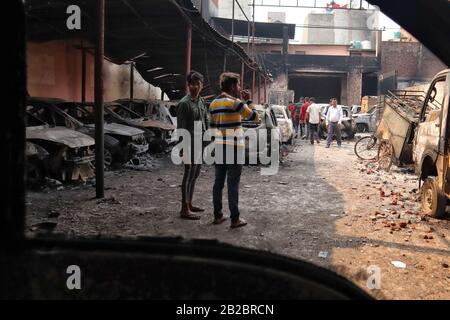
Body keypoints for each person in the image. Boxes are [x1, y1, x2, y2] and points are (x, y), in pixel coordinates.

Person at [209, 72, 259, 228]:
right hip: (235, 149)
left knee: (218, 182)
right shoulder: (236, 103)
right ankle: (235, 219)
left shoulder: (213, 104)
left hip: (219, 147)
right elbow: (255, 117)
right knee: (232, 184)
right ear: (232, 86)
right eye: (238, 85)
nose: (239, 88)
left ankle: (218, 215)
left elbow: (211, 129)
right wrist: (249, 100)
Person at [177, 71, 208, 220]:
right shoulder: (184, 103)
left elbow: (205, 122)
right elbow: (181, 128)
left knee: (195, 175)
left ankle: (190, 204)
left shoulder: (201, 101)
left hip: (200, 143)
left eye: (198, 83)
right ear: (188, 85)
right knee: (188, 175)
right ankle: (184, 208)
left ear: (202, 85)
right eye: (192, 84)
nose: (195, 86)